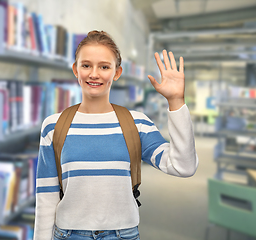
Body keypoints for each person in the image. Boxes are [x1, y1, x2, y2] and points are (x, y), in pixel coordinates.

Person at [34, 30, 198, 240]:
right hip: (68, 234)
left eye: (104, 66)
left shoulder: (136, 123)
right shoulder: (54, 126)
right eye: (86, 65)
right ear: (76, 70)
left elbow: (184, 166)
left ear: (117, 72)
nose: (94, 74)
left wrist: (176, 101)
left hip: (122, 235)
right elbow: (46, 198)